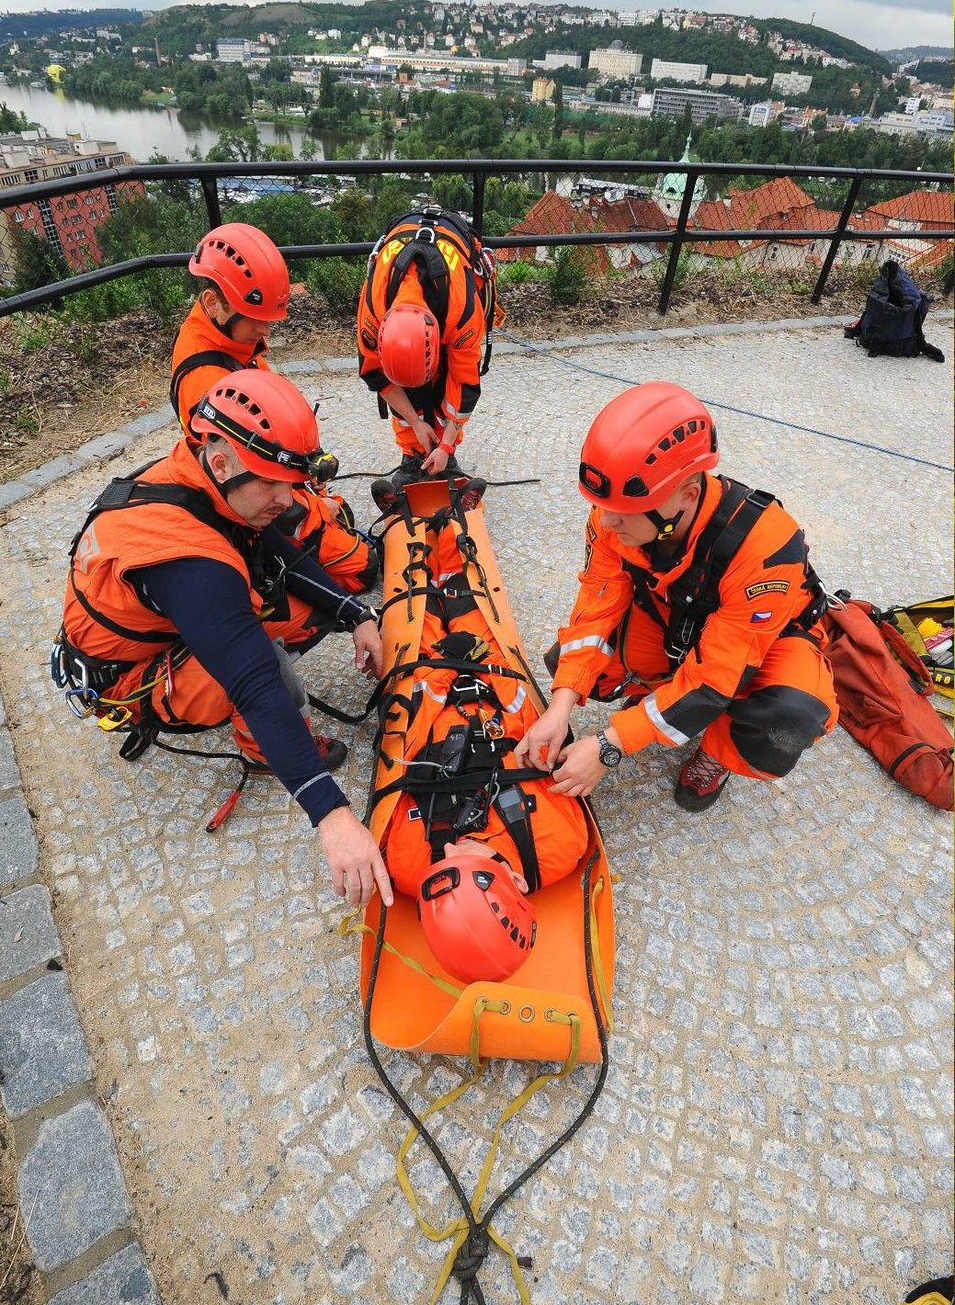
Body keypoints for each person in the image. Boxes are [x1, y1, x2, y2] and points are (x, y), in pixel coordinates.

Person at [54, 369, 393, 910]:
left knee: (303, 613)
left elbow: (276, 548)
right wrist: (332, 814)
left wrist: (357, 614)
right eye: (273, 483)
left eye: (294, 480)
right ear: (221, 462)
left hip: (156, 631)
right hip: (124, 682)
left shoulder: (208, 481)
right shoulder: (189, 562)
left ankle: (257, 696)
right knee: (255, 668)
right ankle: (263, 751)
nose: (288, 498)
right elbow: (255, 681)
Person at [516, 381, 838, 812]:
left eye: (623, 513)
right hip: (677, 617)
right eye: (602, 505)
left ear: (686, 494)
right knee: (572, 665)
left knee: (788, 719)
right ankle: (664, 706)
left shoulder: (765, 546)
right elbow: (596, 608)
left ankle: (716, 754)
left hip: (766, 643)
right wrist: (560, 706)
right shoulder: (618, 512)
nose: (606, 522)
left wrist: (612, 745)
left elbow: (719, 674)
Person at [375, 505, 588, 980]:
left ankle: (402, 524)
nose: (450, 850)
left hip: (426, 698)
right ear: (515, 880)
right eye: (468, 857)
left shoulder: (408, 865)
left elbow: (401, 754)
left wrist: (434, 677)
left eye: (444, 863)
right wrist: (487, 677)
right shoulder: (560, 844)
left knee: (417, 617)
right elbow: (536, 743)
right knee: (472, 612)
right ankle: (455, 522)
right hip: (496, 694)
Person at [172, 220, 377, 599]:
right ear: (215, 304)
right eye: (258, 322)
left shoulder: (229, 345)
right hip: (259, 501)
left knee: (337, 515)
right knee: (363, 570)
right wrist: (312, 512)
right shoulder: (208, 380)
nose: (266, 333)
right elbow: (252, 483)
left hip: (273, 481)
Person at [356, 206, 500, 487]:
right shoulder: (373, 312)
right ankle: (413, 453)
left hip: (449, 288)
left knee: (448, 382)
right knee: (407, 391)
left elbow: (464, 384)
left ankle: (445, 454)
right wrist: (416, 422)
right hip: (407, 267)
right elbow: (375, 375)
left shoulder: (463, 313)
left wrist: (446, 445)